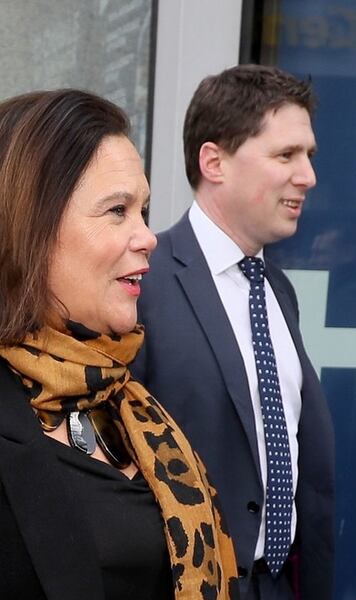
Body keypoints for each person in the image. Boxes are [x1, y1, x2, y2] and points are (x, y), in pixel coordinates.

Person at [0, 89, 238, 599]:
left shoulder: (123, 398)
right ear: (31, 227)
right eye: (117, 211)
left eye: (144, 210)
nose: (147, 236)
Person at [132, 65, 335, 600]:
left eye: (309, 156)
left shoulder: (277, 289)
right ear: (214, 161)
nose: (307, 176)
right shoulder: (142, 283)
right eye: (286, 155)